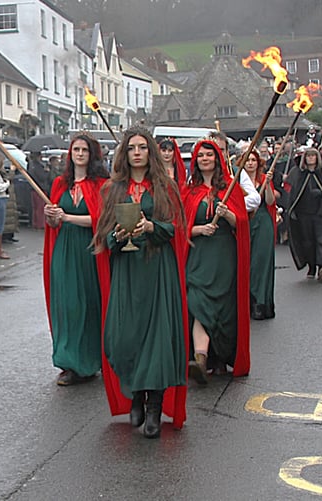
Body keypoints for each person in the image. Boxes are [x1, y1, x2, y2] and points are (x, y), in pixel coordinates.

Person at [92, 127, 189, 438]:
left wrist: (150, 226)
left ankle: (154, 408)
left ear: (150, 153)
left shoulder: (166, 188)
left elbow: (173, 227)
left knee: (157, 340)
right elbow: (104, 236)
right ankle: (135, 394)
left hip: (157, 268)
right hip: (127, 271)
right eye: (131, 147)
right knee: (123, 338)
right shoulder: (113, 190)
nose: (137, 152)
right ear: (125, 153)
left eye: (142, 147)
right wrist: (117, 237)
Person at [182, 139, 251, 384]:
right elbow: (179, 228)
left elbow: (242, 224)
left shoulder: (229, 189)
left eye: (209, 155)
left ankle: (218, 357)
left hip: (224, 255)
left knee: (222, 308)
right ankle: (200, 357)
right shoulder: (188, 192)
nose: (204, 159)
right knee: (197, 302)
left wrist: (229, 215)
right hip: (199, 256)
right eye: (200, 156)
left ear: (217, 159)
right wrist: (198, 229)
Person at [42, 133, 109, 386]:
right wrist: (51, 216)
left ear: (92, 154)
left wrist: (67, 217)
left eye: (84, 150)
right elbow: (53, 222)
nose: (79, 154)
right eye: (75, 150)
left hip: (89, 249)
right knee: (67, 305)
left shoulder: (102, 184)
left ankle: (90, 360)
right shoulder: (60, 184)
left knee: (90, 304)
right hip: (65, 248)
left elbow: (102, 220)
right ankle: (69, 362)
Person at [285, 147, 322, 281]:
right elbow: (293, 194)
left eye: (313, 156)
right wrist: (292, 210)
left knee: (321, 239)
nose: (311, 158)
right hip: (304, 214)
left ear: (317, 158)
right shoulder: (299, 175)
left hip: (321, 214)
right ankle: (311, 265)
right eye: (308, 156)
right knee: (308, 241)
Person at [244, 150, 278, 320]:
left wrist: (269, 185)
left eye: (253, 160)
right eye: (247, 160)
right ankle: (248, 300)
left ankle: (261, 302)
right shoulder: (238, 181)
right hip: (246, 222)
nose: (250, 163)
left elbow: (271, 202)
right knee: (247, 262)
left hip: (263, 222)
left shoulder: (263, 179)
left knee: (261, 262)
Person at [207, 131, 262, 213]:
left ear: (227, 152)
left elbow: (255, 199)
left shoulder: (237, 172)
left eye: (222, 150)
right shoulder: (198, 175)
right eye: (215, 150)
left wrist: (230, 205)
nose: (218, 153)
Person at [28, 152, 50, 229]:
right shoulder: (38, 167)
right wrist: (47, 171)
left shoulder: (30, 165)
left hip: (33, 188)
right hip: (40, 188)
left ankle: (35, 223)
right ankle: (40, 224)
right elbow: (42, 177)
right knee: (40, 208)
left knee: (35, 208)